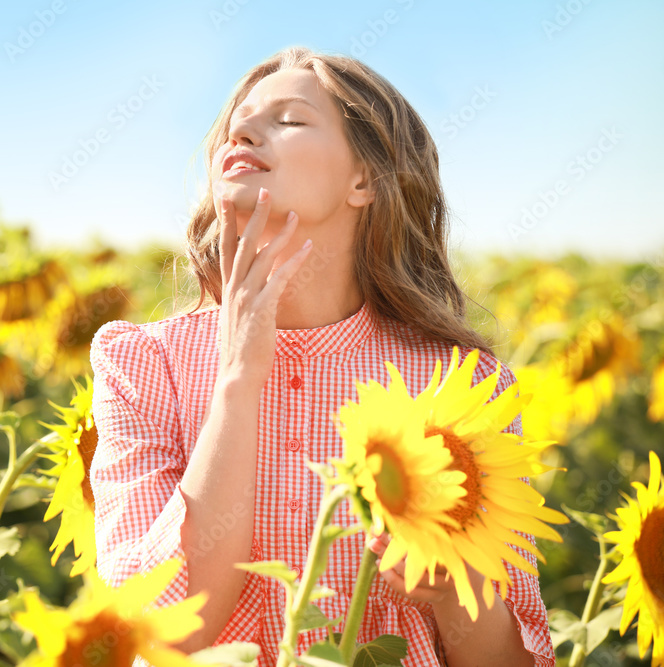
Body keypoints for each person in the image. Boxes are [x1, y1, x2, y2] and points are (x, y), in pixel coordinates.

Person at [88, 46, 555, 667]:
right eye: (240, 121)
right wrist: (237, 380)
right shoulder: (143, 366)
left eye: (289, 119)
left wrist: (457, 591)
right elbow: (169, 632)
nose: (245, 130)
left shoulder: (459, 387)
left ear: (365, 179)